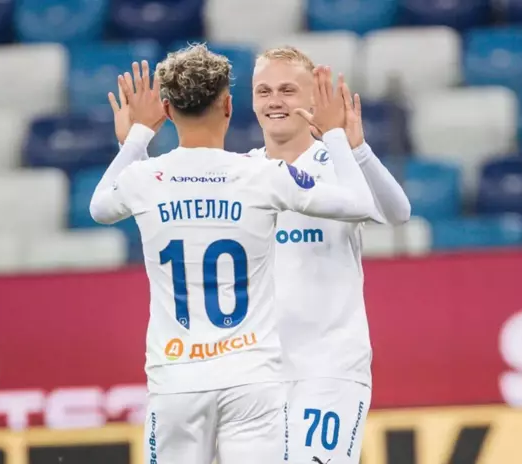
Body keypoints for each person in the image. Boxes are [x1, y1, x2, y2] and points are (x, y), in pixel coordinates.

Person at [90, 44, 381, 464]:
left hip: (175, 379)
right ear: (229, 106)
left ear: (168, 110)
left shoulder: (144, 178)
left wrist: (137, 138)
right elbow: (360, 203)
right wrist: (336, 135)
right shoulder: (259, 174)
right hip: (250, 378)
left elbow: (99, 208)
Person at [250, 47, 411, 464]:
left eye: (288, 90)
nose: (274, 101)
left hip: (330, 367)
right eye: (264, 91)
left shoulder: (339, 161)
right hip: (258, 374)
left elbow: (398, 213)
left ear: (313, 98)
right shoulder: (242, 172)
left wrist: (355, 147)